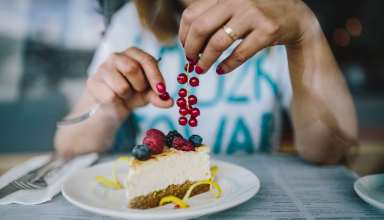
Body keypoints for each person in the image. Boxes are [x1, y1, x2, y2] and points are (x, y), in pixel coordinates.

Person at [55, 0, 358, 164]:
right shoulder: (131, 24)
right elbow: (68, 148)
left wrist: (304, 30)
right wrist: (110, 106)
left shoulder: (276, 21)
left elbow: (335, 151)